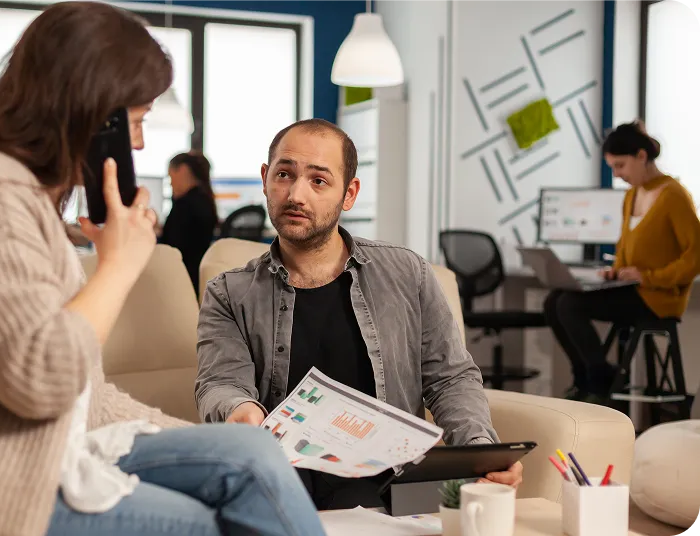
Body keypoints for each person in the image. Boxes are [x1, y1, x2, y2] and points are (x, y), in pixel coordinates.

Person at [0, 5, 325, 536]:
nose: (141, 145)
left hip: (37, 451)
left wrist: (209, 439)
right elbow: (41, 384)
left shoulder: (22, 197)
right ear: (93, 117)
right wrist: (118, 266)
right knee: (203, 518)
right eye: (138, 122)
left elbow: (85, 399)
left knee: (251, 451)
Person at [195, 118, 522, 511]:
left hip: (387, 486)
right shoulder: (229, 292)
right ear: (266, 179)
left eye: (319, 181)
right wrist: (239, 410)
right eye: (284, 174)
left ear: (348, 194)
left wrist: (479, 453)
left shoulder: (407, 273)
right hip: (281, 484)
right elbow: (220, 383)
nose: (296, 194)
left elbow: (450, 378)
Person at [544, 121, 700, 402]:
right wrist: (615, 271)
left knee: (569, 304)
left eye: (620, 166)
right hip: (633, 289)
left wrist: (647, 277)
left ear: (641, 156)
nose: (617, 175)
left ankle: (599, 378)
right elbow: (627, 248)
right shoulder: (631, 195)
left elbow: (695, 257)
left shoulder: (674, 196)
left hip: (658, 297)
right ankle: (588, 375)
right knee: (553, 302)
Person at [159, 151, 218, 293]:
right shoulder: (204, 200)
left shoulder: (185, 205)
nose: (171, 183)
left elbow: (171, 248)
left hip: (181, 278)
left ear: (183, 170)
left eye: (171, 176)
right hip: (195, 277)